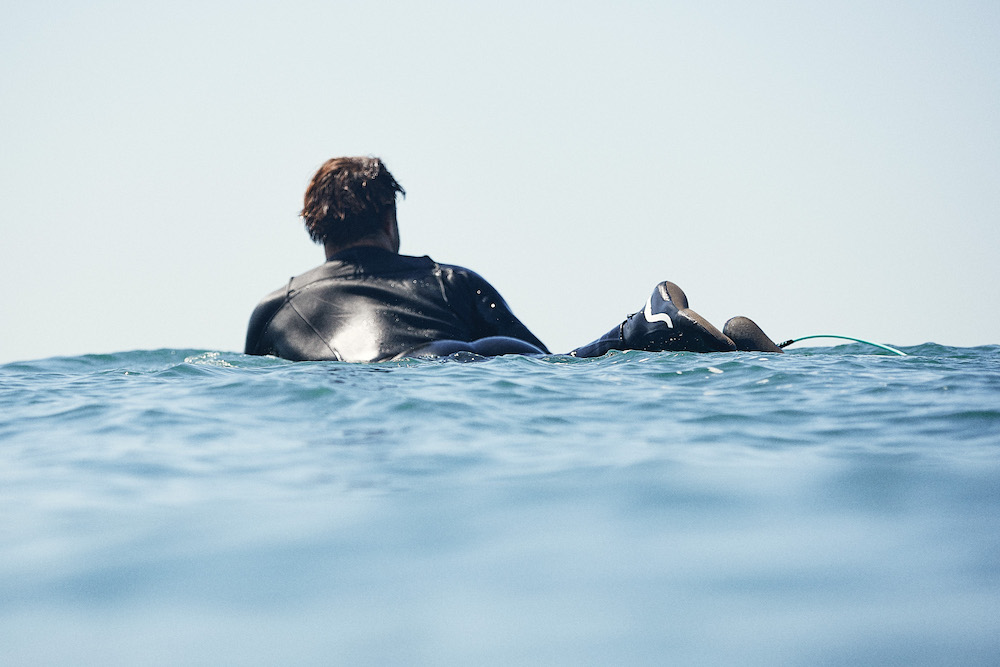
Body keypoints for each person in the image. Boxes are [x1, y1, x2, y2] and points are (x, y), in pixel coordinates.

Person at [244, 157, 781, 362]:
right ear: (390, 217)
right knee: (568, 365)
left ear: (315, 225)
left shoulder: (273, 311)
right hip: (480, 354)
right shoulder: (449, 280)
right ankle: (651, 325)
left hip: (417, 374)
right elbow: (543, 366)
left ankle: (659, 332)